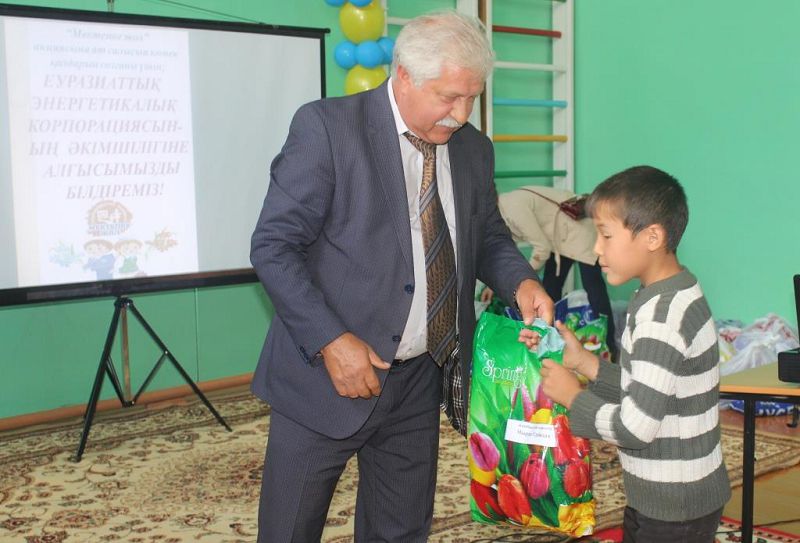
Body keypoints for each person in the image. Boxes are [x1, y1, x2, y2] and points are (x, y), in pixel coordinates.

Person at [249, 10, 554, 542]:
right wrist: (330, 340)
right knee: (289, 531)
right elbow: (273, 247)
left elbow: (487, 237)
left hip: (418, 379)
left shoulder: (473, 148)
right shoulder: (328, 129)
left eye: (472, 98)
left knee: (400, 532)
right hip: (326, 376)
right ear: (404, 75)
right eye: (449, 97)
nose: (461, 115)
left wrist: (520, 282)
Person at [530, 166, 730, 543]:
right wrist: (586, 363)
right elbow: (648, 388)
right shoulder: (667, 293)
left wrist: (573, 396)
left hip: (674, 508)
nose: (596, 248)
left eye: (606, 235)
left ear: (652, 236)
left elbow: (636, 428)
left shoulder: (662, 317)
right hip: (664, 496)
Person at [483, 185, 617, 356]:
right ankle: (551, 344)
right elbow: (508, 251)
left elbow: (542, 248)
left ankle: (609, 346)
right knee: (549, 291)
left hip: (579, 232)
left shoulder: (512, 206)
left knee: (594, 290)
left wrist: (522, 281)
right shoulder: (501, 213)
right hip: (559, 240)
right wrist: (493, 285)